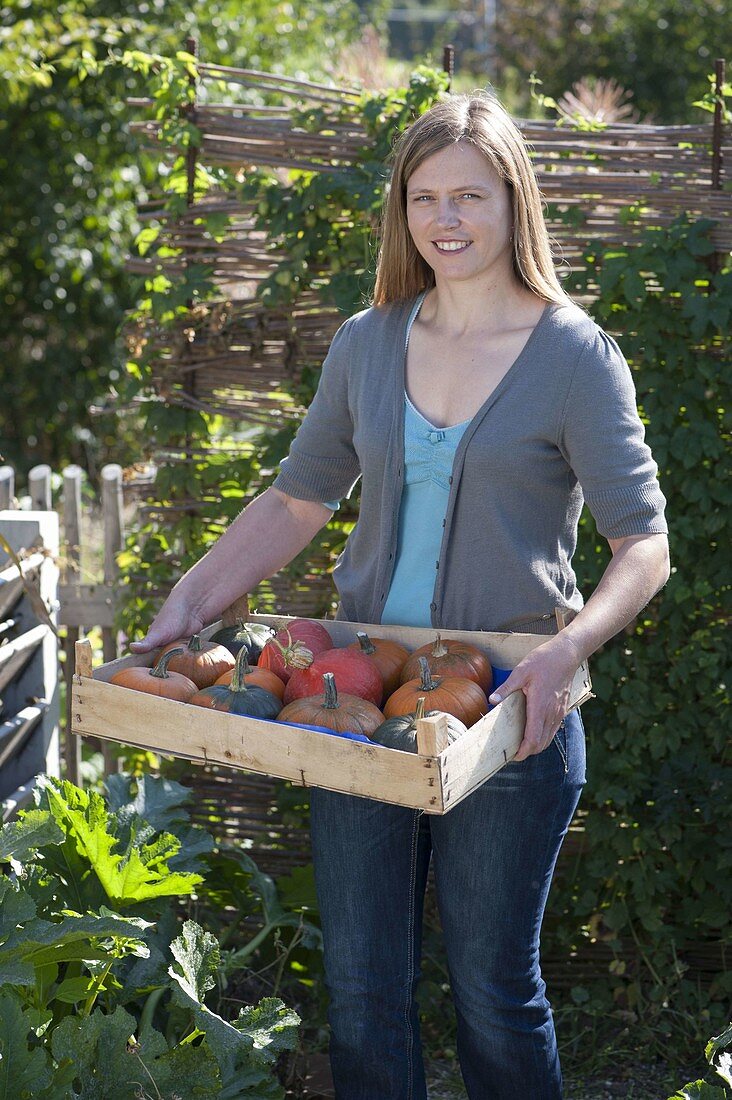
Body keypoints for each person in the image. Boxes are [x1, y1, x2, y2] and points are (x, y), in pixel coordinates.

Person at [132, 92, 669, 1099]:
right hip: (353, 697)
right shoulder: (366, 342)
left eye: (469, 193)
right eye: (424, 196)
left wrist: (568, 651)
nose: (446, 218)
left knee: (494, 989)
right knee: (364, 986)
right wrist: (193, 595)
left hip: (511, 706)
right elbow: (296, 498)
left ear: (514, 201)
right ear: (403, 209)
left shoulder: (573, 356)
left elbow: (645, 544)